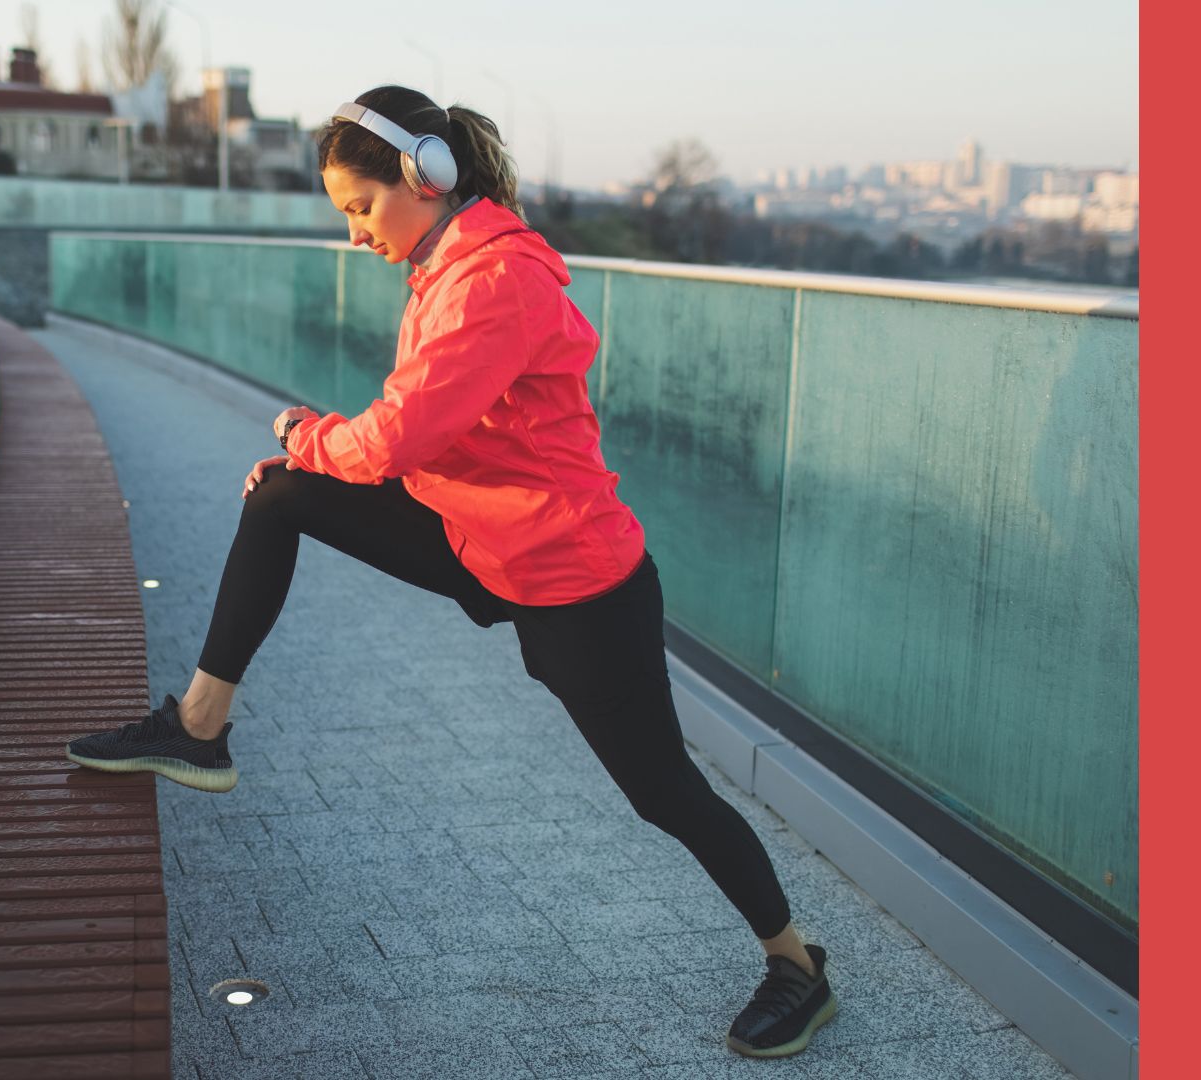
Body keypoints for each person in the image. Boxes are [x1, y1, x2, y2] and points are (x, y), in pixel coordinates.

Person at [66, 84, 838, 1059]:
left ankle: (797, 967)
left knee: (663, 792)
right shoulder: (445, 268)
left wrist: (307, 434)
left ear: (424, 177)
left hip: (571, 579)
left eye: (360, 207)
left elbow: (396, 436)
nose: (354, 234)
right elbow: (423, 439)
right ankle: (198, 729)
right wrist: (309, 463)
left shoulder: (494, 281)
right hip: (471, 536)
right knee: (281, 497)